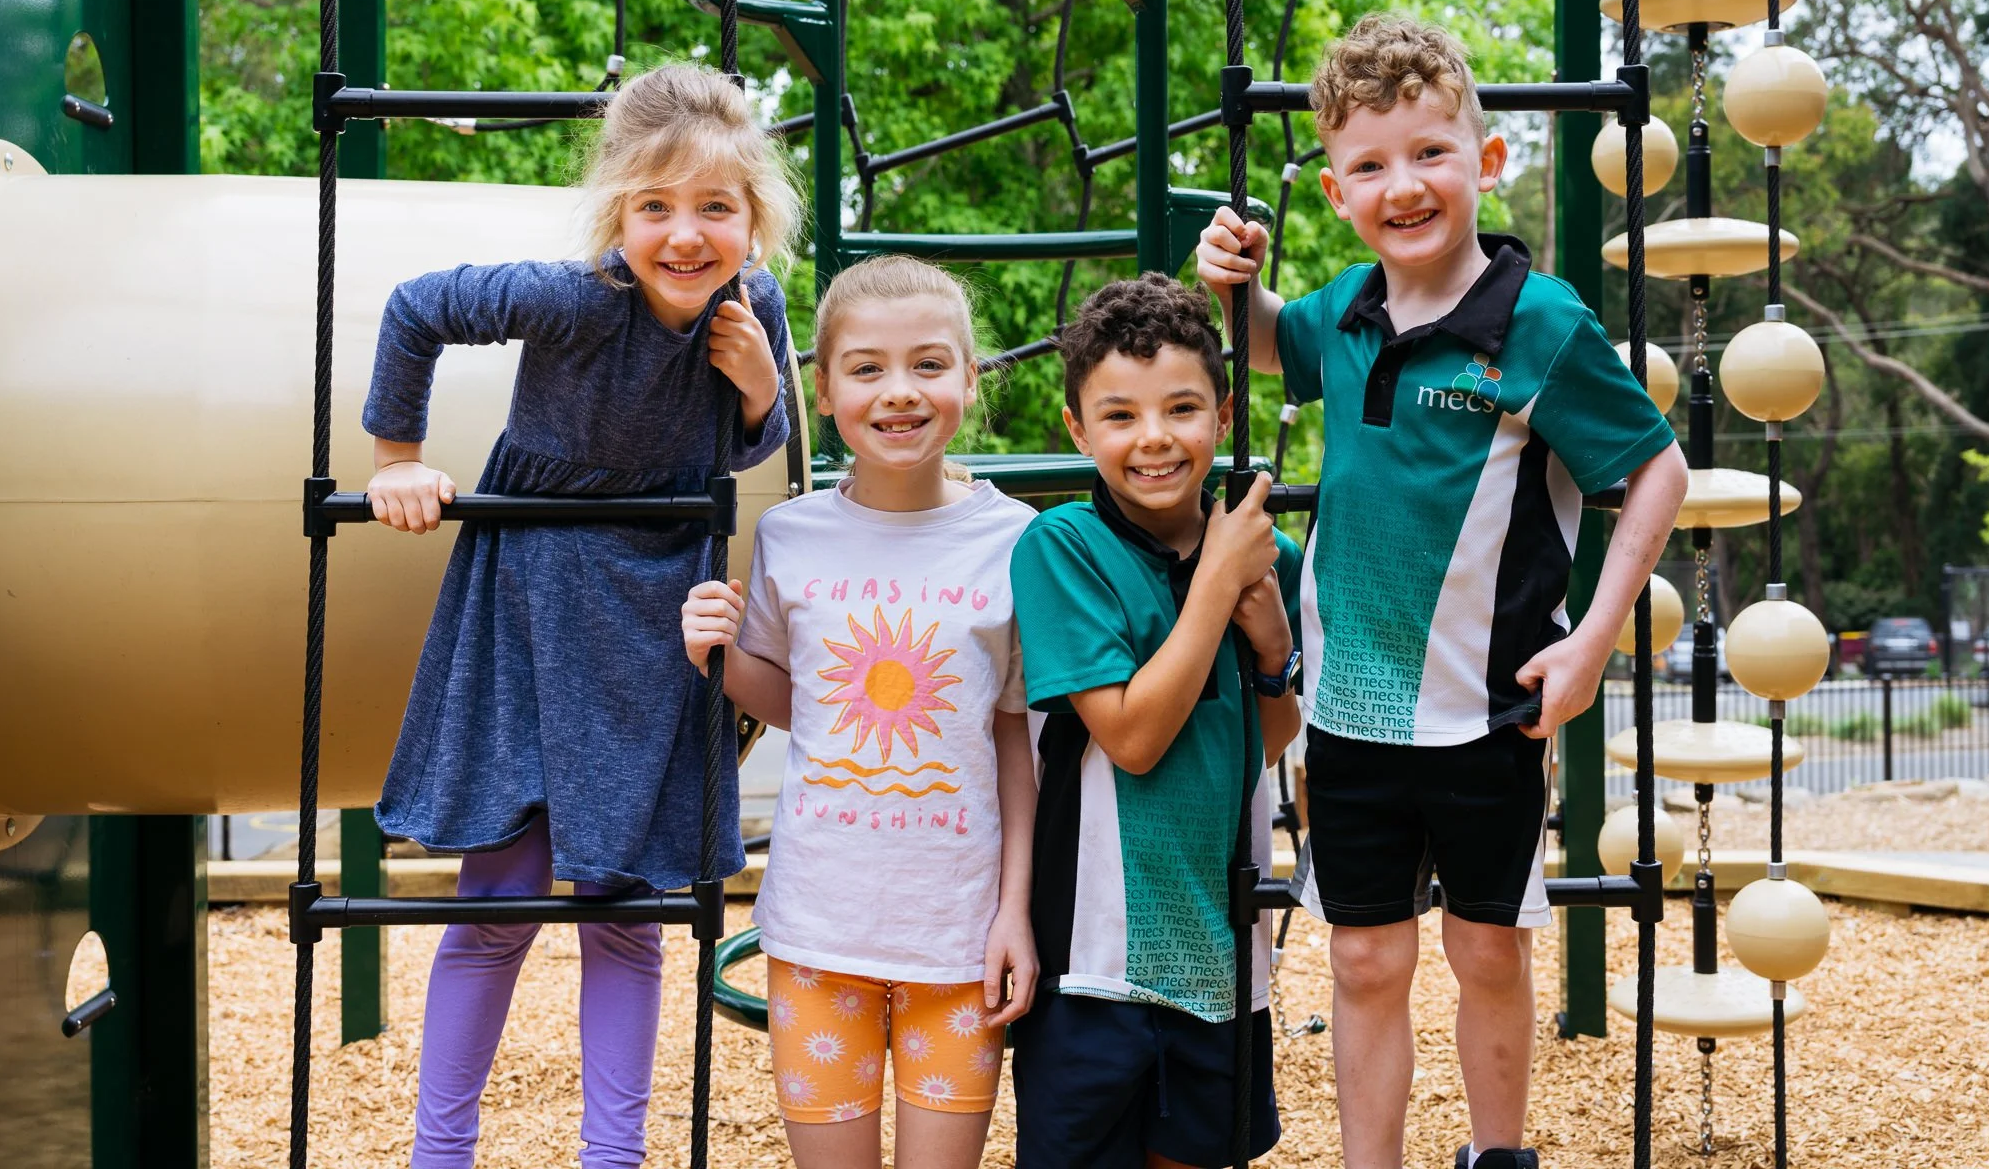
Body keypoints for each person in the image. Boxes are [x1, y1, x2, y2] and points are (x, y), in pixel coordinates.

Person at [1196, 15, 1689, 1169]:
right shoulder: (1350, 312)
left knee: (1487, 951)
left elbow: (1655, 469)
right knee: (1365, 960)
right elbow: (1272, 344)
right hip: (1350, 718)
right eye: (1369, 166)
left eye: (1430, 153)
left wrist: (1595, 641)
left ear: (1488, 161)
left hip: (1487, 713)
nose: (1402, 186)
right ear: (1334, 190)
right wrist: (1235, 278)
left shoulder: (1539, 324)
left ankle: (1496, 1154)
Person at [361, 61, 801, 1169]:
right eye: (655, 206)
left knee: (625, 899)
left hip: (655, 610)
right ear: (618, 212)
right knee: (499, 892)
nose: (685, 234)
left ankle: (616, 1154)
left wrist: (759, 389)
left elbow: (750, 449)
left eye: (715, 207)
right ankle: (439, 1151)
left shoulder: (758, 308)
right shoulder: (569, 299)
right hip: (531, 588)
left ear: (755, 215)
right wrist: (398, 459)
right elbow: (417, 309)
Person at [680, 255, 1039, 1169]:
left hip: (959, 937)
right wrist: (715, 658)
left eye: (928, 364)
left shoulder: (1016, 541)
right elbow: (806, 705)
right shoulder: (791, 536)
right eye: (867, 368)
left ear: (969, 377)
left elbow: (1011, 735)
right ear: (826, 389)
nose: (899, 392)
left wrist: (1015, 909)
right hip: (818, 931)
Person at [1007, 273, 1303, 1169]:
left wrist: (1275, 647)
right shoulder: (1061, 548)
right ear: (1077, 429)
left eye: (1181, 409)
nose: (1154, 440)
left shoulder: (1267, 554)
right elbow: (1131, 741)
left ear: (1221, 413)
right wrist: (1215, 590)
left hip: (1220, 953)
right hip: (1094, 956)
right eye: (1121, 416)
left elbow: (1269, 737)